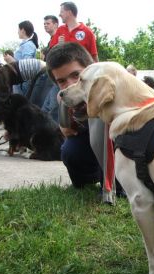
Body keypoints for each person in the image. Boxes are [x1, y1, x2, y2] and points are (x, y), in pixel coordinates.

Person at [46, 42, 101, 189]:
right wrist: (66, 124)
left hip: (121, 144)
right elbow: (67, 129)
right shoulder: (64, 98)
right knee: (70, 150)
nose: (70, 85)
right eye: (62, 81)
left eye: (76, 75)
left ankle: (118, 185)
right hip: (89, 139)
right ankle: (84, 182)